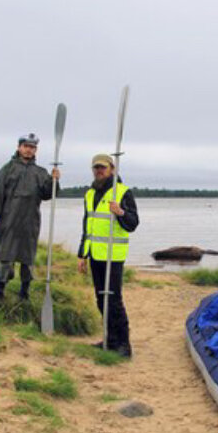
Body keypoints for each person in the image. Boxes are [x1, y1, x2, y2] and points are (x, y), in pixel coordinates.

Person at [77, 153, 140, 357]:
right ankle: (110, 340)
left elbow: (133, 223)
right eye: (96, 167)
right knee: (100, 299)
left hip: (113, 256)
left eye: (103, 167)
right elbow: (88, 226)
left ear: (112, 169)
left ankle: (123, 345)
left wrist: (120, 212)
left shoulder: (122, 192)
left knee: (113, 300)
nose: (99, 171)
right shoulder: (89, 194)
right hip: (95, 255)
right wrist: (82, 254)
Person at [0, 133, 60, 303]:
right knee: (6, 256)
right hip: (9, 219)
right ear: (19, 147)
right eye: (26, 146)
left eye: (32, 147)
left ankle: (24, 292)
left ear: (36, 150)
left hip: (30, 221)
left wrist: (54, 181)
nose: (29, 150)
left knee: (27, 259)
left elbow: (48, 194)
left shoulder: (40, 172)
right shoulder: (7, 169)